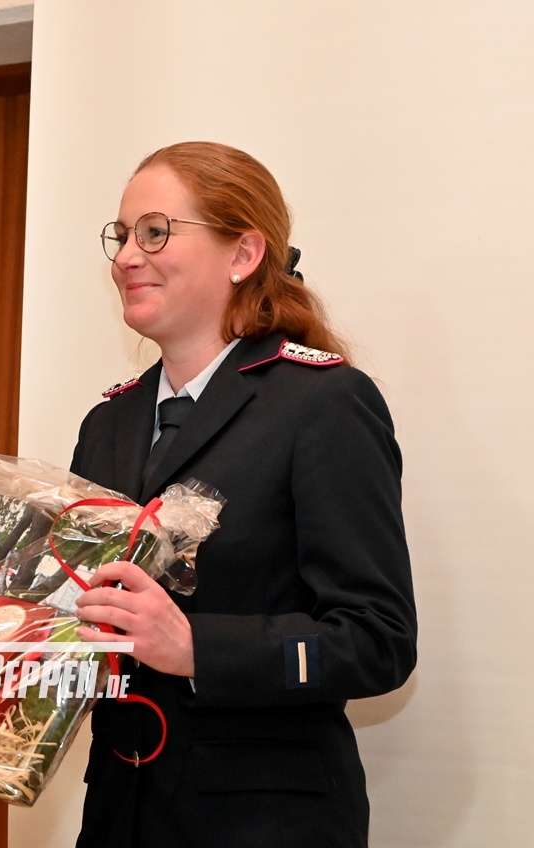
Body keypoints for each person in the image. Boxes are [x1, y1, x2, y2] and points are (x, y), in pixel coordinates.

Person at [70, 142, 417, 847]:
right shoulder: (108, 422)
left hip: (263, 822)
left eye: (155, 232)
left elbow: (378, 639)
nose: (127, 256)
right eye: (122, 234)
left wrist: (196, 646)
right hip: (119, 816)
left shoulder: (322, 402)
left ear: (244, 253)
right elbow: (77, 626)